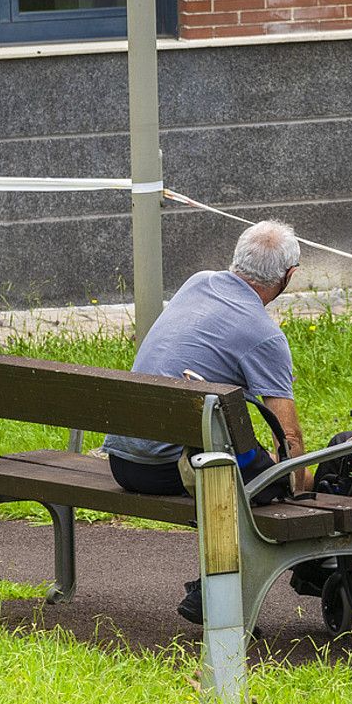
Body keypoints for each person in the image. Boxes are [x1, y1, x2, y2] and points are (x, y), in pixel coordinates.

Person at [103, 219, 312, 624]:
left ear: (237, 259)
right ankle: (217, 587)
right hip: (172, 470)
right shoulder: (265, 334)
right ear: (289, 277)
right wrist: (300, 487)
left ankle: (214, 584)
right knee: (269, 481)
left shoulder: (197, 282)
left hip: (124, 462)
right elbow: (290, 438)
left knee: (240, 464)